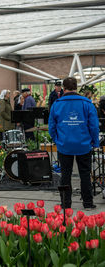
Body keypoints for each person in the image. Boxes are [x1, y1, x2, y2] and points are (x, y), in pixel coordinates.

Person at [49, 77, 99, 210]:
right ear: (76, 87)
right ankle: (88, 204)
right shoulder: (87, 103)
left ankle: (66, 204)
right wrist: (95, 142)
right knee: (85, 174)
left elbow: (51, 127)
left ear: (63, 88)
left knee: (65, 175)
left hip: (64, 145)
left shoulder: (57, 104)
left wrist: (57, 140)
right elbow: (94, 126)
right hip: (84, 145)